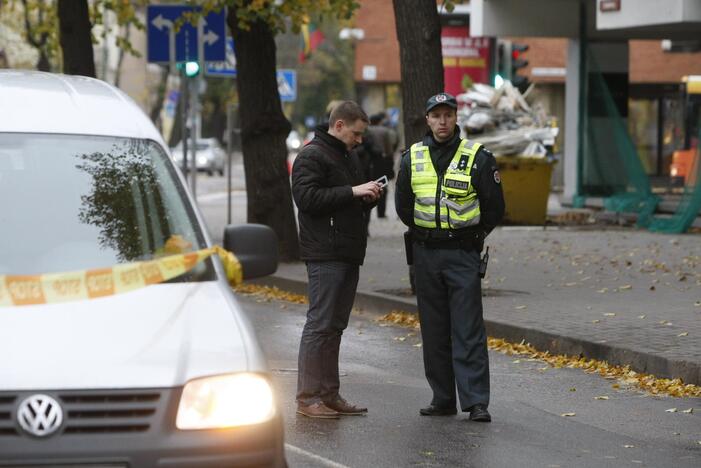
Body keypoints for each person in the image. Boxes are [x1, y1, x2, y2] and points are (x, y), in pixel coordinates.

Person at [395, 92, 505, 422]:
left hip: (462, 254)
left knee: (468, 329)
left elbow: (495, 208)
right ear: (427, 120)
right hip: (426, 254)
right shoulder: (411, 157)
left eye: (448, 115)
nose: (442, 121)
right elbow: (403, 206)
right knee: (433, 329)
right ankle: (442, 398)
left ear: (457, 118)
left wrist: (471, 237)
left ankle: (476, 403)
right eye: (436, 115)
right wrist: (428, 234)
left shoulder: (478, 157)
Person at [291, 101, 382, 419]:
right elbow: (307, 199)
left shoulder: (348, 154)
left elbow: (346, 199)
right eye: (356, 134)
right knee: (320, 325)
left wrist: (366, 198)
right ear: (339, 125)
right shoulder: (311, 155)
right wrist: (353, 191)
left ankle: (329, 394)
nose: (359, 140)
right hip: (325, 253)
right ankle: (307, 397)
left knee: (335, 327)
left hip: (347, 251)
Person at [367, 112, 397, 218]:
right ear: (380, 121)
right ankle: (381, 213)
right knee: (382, 185)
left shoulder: (366, 130)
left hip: (368, 162)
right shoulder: (385, 131)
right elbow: (389, 149)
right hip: (381, 161)